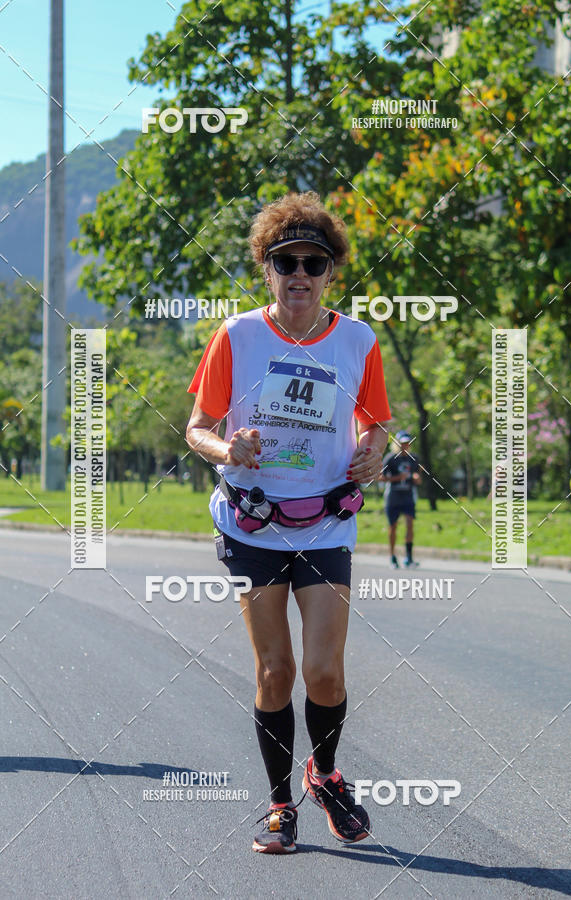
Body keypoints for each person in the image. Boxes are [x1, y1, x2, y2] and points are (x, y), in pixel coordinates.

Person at [185, 191, 391, 854]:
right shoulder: (236, 336)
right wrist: (227, 449)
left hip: (327, 522)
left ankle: (323, 775)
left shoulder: (358, 341)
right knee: (276, 671)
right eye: (286, 262)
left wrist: (373, 452)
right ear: (266, 268)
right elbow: (197, 427)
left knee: (324, 672)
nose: (299, 273)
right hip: (253, 524)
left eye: (314, 262)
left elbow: (376, 424)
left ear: (331, 271)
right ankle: (280, 806)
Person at [381, 431, 421, 568]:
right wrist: (397, 478)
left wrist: (416, 478)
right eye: (402, 443)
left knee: (410, 524)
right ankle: (392, 556)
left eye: (407, 443)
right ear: (397, 444)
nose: (405, 446)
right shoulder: (390, 458)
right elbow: (380, 477)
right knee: (393, 526)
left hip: (408, 496)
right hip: (393, 496)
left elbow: (418, 475)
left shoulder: (414, 458)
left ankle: (409, 558)